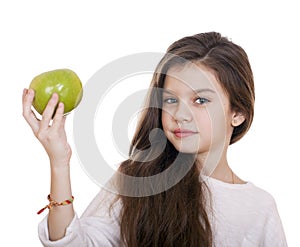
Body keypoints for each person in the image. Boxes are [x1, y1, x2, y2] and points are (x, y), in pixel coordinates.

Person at [22, 32, 287, 247]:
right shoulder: (137, 181)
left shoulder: (259, 209)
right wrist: (59, 162)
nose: (180, 115)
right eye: (170, 100)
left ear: (237, 113)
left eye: (200, 100)